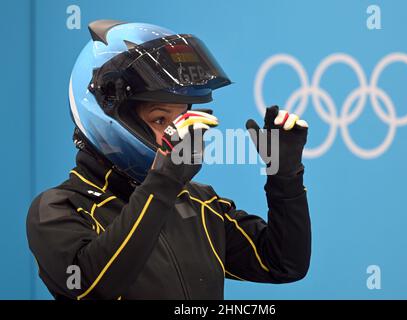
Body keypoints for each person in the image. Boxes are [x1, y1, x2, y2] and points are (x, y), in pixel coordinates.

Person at [26, 20, 311, 300]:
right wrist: (164, 182)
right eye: (161, 119)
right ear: (110, 117)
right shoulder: (58, 209)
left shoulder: (199, 205)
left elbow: (284, 263)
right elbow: (92, 286)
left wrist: (284, 176)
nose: (179, 131)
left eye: (183, 117)